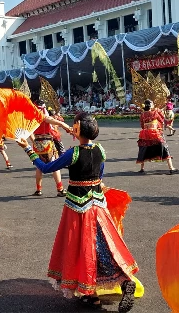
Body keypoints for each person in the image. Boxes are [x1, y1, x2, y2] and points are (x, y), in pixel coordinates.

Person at [16, 113, 138, 312]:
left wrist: (27, 149)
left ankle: (92, 294)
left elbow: (46, 168)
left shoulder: (73, 153)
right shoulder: (101, 150)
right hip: (98, 205)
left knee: (82, 249)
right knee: (104, 246)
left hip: (78, 209)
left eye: (74, 125)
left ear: (79, 129)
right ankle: (123, 282)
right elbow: (100, 175)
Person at [31, 100, 73, 197]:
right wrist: (67, 127)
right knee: (55, 165)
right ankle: (60, 189)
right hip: (47, 143)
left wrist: (35, 141)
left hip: (37, 143)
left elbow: (29, 133)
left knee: (39, 167)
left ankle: (38, 189)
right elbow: (56, 122)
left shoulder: (33, 118)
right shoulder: (43, 116)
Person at [136, 99, 178, 174]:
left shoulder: (142, 114)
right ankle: (171, 168)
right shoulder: (155, 112)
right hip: (154, 132)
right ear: (151, 105)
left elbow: (142, 125)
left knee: (143, 149)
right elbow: (161, 120)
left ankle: (142, 168)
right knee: (165, 148)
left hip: (145, 133)